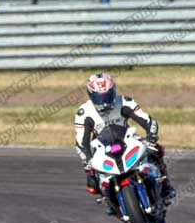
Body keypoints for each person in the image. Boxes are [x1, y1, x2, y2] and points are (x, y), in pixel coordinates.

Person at [75, 72, 175, 202]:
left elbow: (148, 121)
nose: (104, 103)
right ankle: (108, 199)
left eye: (107, 96)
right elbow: (81, 142)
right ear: (91, 96)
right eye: (100, 98)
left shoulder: (124, 102)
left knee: (156, 150)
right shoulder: (83, 113)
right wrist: (87, 161)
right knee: (92, 181)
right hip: (101, 146)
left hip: (127, 139)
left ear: (114, 91)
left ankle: (166, 185)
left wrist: (151, 138)